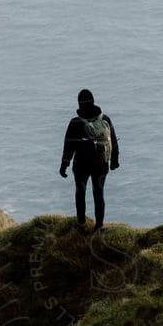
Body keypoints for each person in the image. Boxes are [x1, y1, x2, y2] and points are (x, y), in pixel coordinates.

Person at [59, 89, 119, 231]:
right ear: (93, 101)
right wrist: (115, 160)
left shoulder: (75, 123)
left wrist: (64, 165)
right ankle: (99, 226)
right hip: (101, 164)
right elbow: (114, 141)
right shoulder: (105, 119)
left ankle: (81, 223)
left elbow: (69, 146)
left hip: (81, 165)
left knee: (81, 192)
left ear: (79, 104)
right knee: (99, 193)